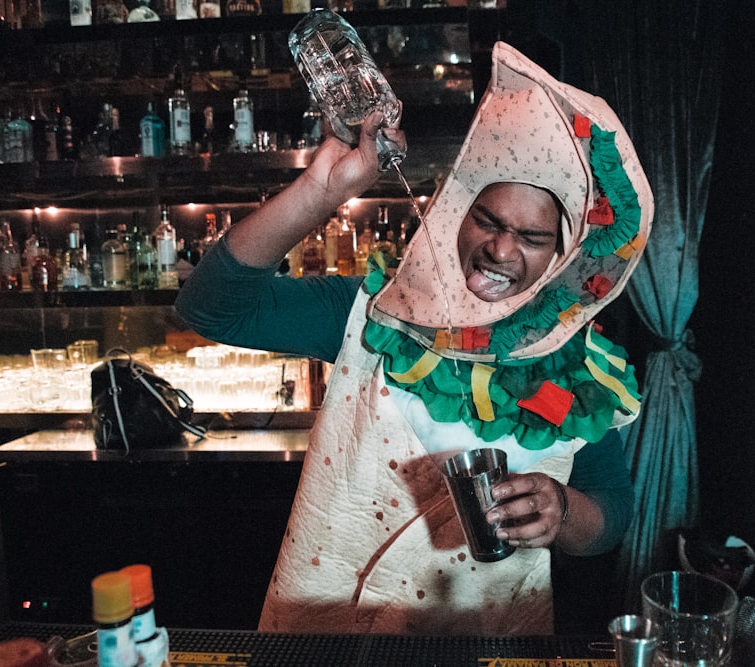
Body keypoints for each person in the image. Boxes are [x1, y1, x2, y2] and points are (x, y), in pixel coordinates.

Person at [176, 42, 654, 635]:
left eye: (532, 237)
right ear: (457, 213)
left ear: (561, 256)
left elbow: (610, 515)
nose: (501, 251)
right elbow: (211, 308)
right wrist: (322, 190)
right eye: (489, 221)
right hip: (329, 642)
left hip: (488, 642)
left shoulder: (581, 371)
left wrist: (563, 513)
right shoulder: (372, 314)